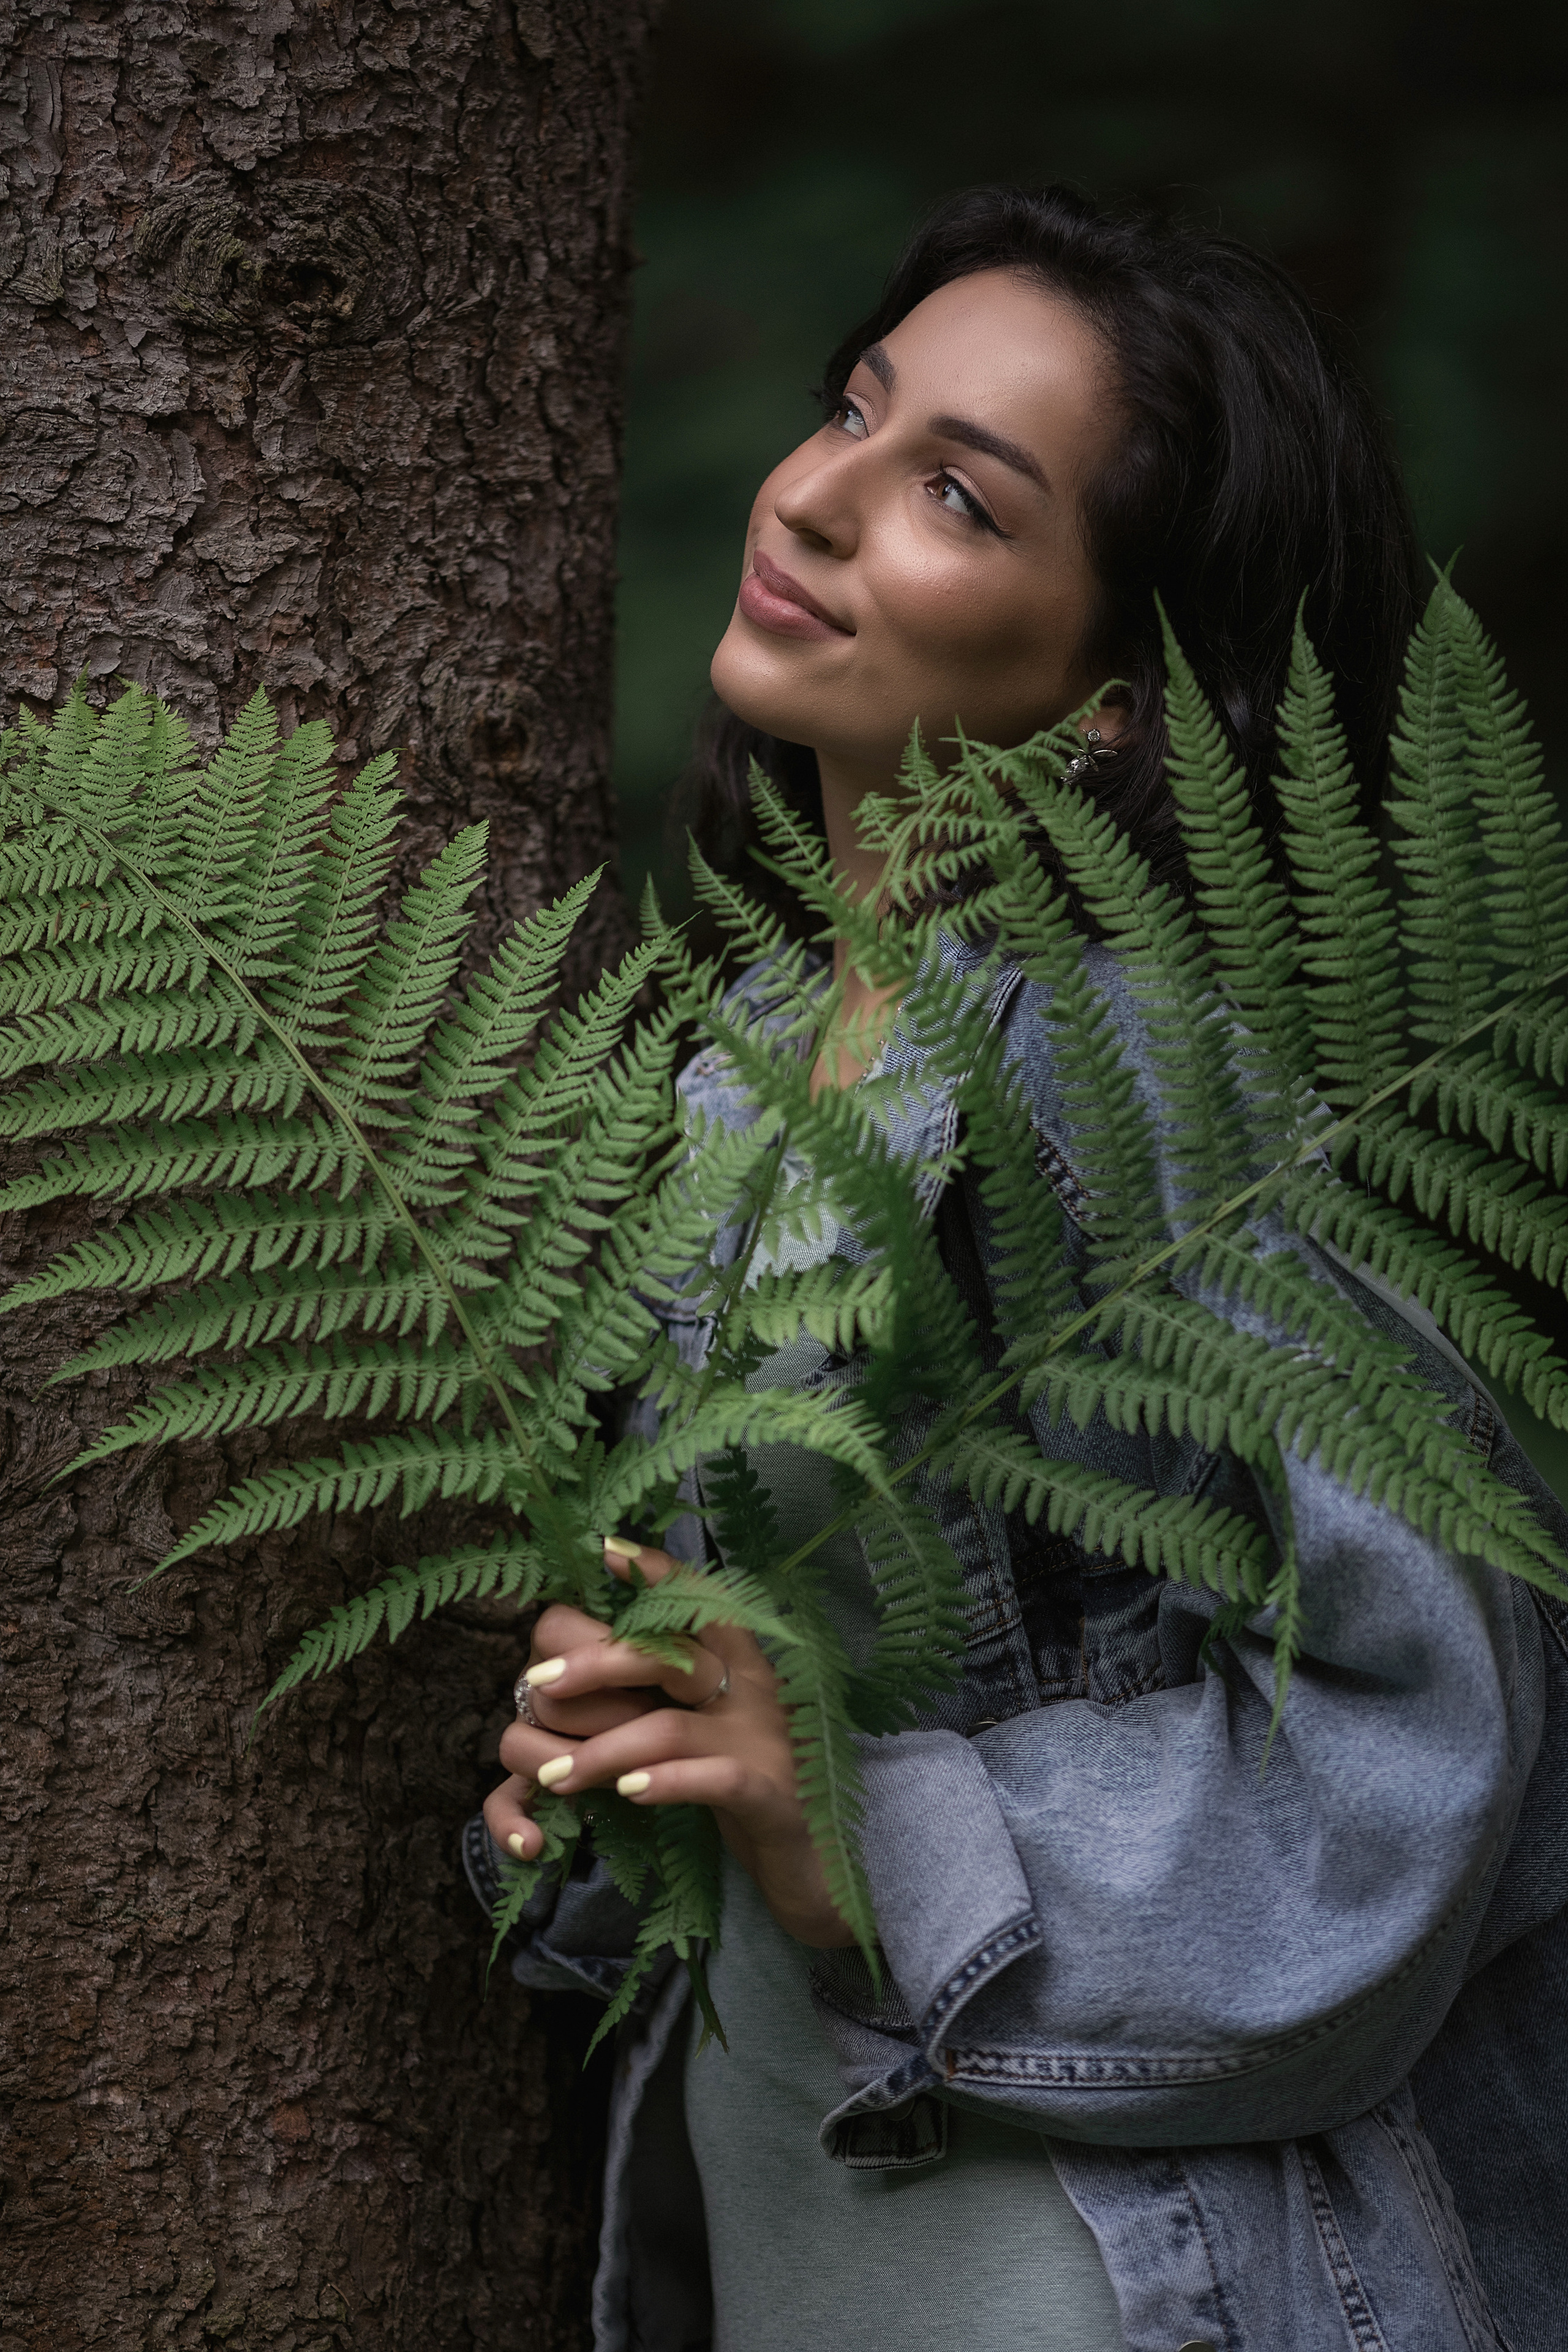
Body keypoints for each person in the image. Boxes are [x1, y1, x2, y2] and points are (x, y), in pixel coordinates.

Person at [469, 185, 1568, 2351]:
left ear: (1109, 706)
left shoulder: (1149, 1085)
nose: (816, 496)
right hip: (804, 2234)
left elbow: (1429, 1747)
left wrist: (862, 1817)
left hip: (1111, 2275)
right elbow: (800, 1749)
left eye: (957, 495)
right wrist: (611, 1795)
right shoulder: (744, 1070)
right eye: (855, 409)